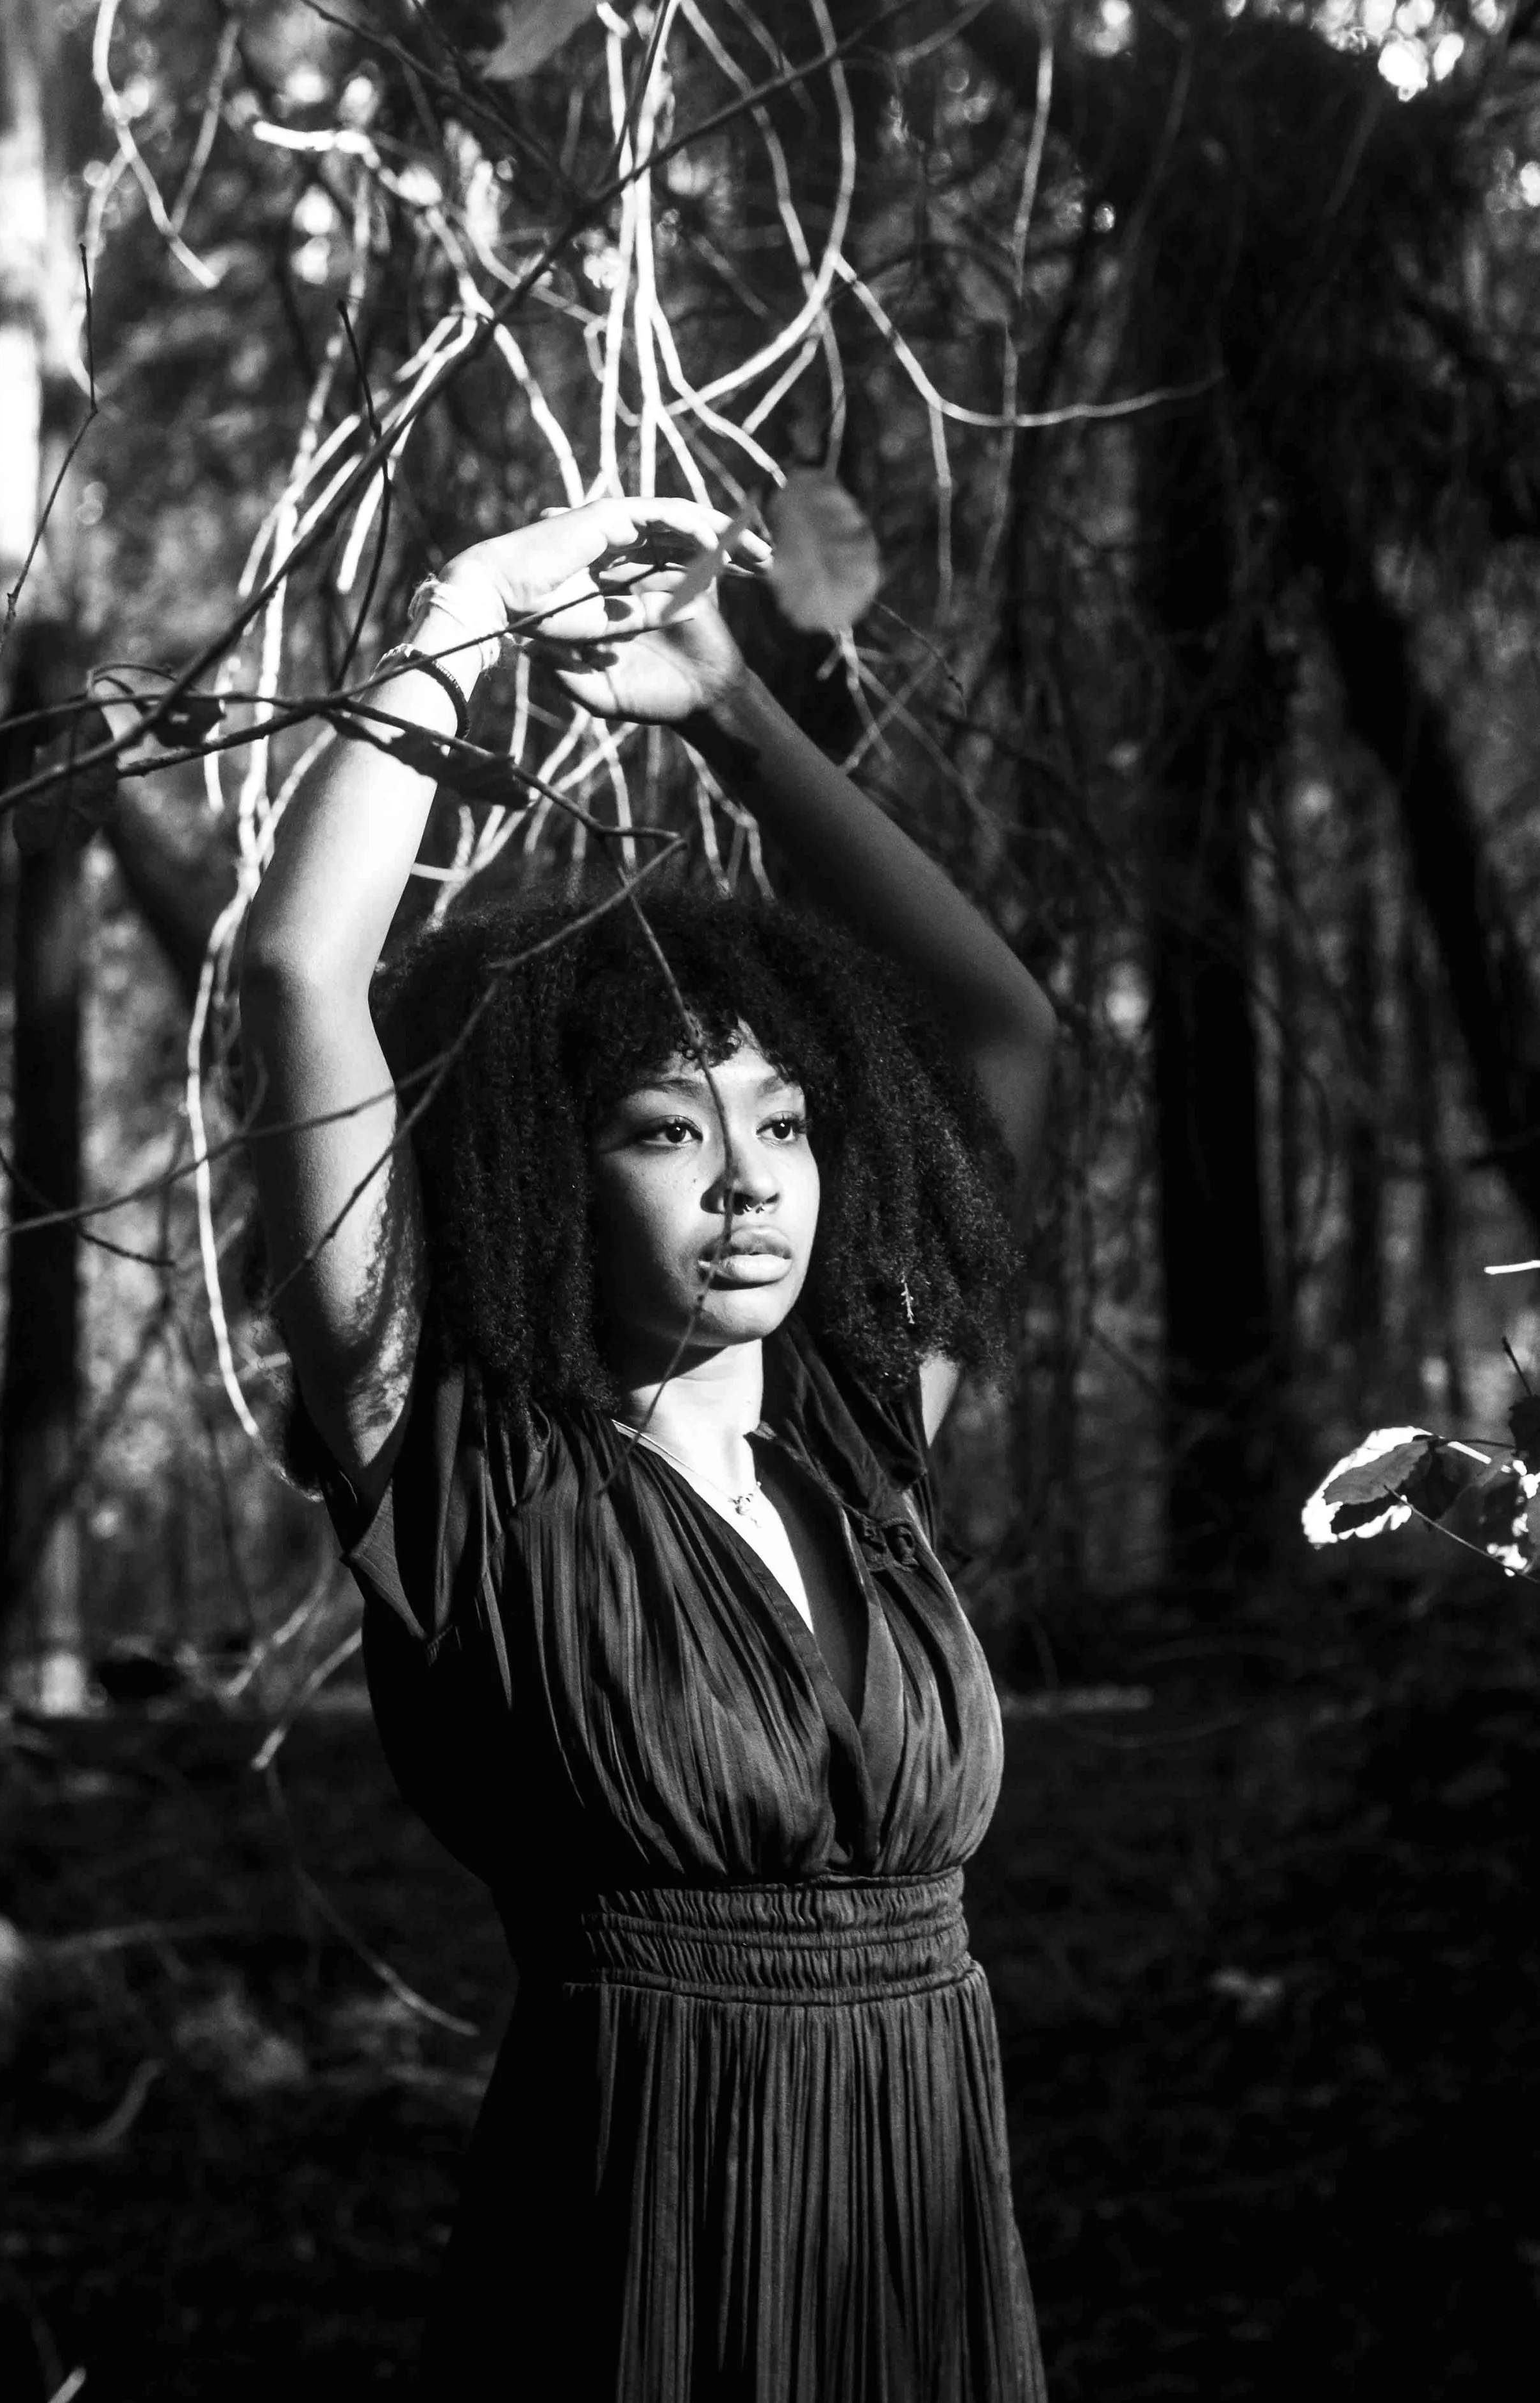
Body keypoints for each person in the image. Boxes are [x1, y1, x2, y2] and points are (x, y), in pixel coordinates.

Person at [239, 497, 1057, 2400]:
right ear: (549, 1173)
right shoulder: (458, 1468)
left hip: (929, 2234)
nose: (751, 1185)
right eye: (668, 1134)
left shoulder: (855, 1446)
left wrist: (730, 714)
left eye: (781, 1126)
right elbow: (302, 972)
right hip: (642, 2239)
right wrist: (458, 616)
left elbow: (1002, 1032)